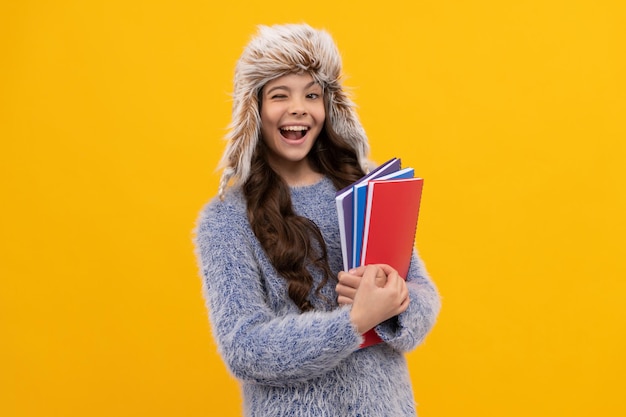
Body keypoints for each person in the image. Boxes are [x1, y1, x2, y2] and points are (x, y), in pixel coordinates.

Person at [194, 23, 441, 417]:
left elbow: (424, 294)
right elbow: (244, 346)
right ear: (253, 110)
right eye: (280, 95)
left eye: (312, 94)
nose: (298, 107)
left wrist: (397, 299)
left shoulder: (365, 188)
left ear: (328, 107)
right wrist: (356, 321)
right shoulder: (226, 220)